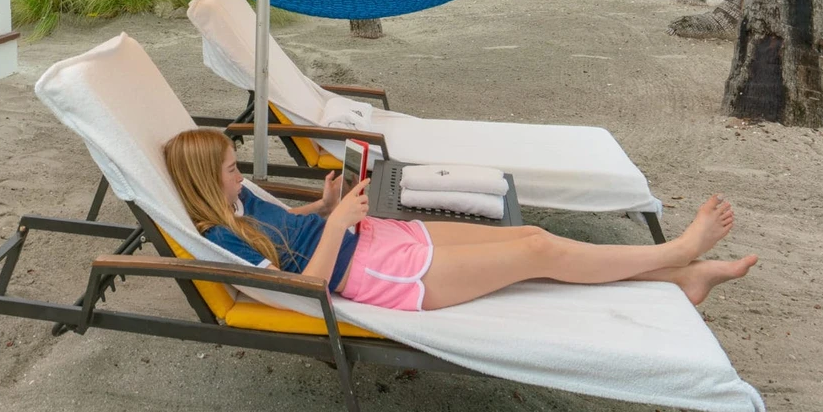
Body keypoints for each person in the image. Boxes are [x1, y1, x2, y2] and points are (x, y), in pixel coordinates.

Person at [162, 128, 756, 311]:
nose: (238, 170)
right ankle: (675, 252)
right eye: (227, 167)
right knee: (536, 255)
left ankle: (682, 278)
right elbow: (299, 287)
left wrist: (321, 207)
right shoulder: (217, 237)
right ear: (201, 182)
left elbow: (286, 224)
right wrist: (338, 223)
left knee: (524, 236)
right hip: (371, 275)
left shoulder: (241, 203)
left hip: (372, 236)